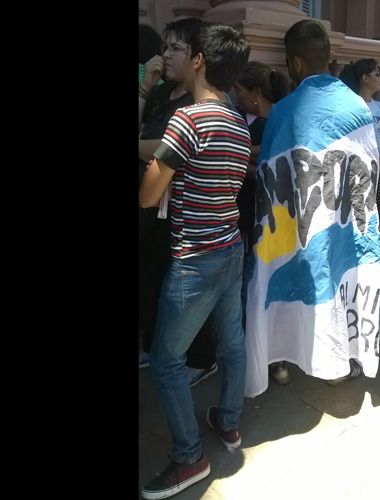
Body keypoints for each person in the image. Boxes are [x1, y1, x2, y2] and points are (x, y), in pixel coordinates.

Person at [139, 21, 251, 500]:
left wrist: (155, 166)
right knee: (232, 344)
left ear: (200, 60)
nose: (174, 57)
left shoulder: (187, 120)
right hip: (230, 247)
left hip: (195, 258)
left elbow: (148, 196)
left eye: (183, 51)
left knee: (165, 360)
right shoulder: (237, 123)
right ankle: (229, 423)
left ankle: (189, 458)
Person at [244, 19, 380, 398]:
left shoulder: (285, 112)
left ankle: (282, 358)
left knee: (291, 285)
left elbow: (270, 183)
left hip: (297, 223)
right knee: (337, 283)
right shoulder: (358, 106)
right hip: (344, 222)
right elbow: (368, 170)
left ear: (296, 63)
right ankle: (336, 363)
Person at [138, 18, 218, 387]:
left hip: (181, 213)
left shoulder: (198, 102)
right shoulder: (160, 95)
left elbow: (170, 148)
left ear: (197, 58)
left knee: (184, 294)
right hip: (151, 208)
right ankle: (153, 345)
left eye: (176, 48)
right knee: (150, 279)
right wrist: (144, 88)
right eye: (164, 47)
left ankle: (199, 358)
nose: (166, 55)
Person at [233, 61, 292, 385]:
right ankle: (266, 355)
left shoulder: (275, 123)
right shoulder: (249, 120)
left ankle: (270, 356)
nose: (235, 95)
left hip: (267, 219)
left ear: (255, 92)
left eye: (239, 90)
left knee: (260, 287)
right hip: (255, 218)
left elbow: (272, 170)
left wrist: (239, 158)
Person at [339, 58, 380, 272]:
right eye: (377, 74)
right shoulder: (352, 107)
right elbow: (351, 145)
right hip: (366, 176)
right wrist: (378, 161)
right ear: (364, 78)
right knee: (368, 223)